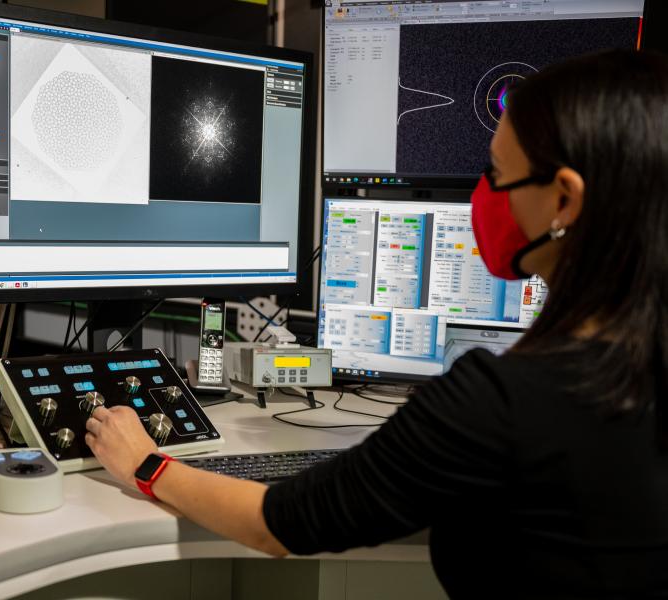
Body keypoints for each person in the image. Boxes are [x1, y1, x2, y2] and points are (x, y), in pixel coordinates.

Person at [85, 49, 668, 598]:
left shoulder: (504, 405)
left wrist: (146, 461)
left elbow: (278, 523)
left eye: (496, 174)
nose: (482, 198)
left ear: (564, 201)